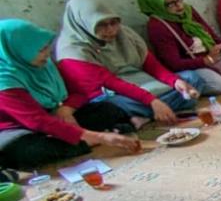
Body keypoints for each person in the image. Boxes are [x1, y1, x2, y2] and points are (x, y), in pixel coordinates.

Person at [0, 19, 139, 169]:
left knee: (105, 109)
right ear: (17, 51)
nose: (46, 54)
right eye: (40, 51)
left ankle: (85, 139)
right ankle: (91, 139)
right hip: (18, 130)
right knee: (31, 152)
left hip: (53, 117)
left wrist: (66, 109)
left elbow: (78, 92)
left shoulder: (43, 64)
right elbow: (37, 121)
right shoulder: (5, 80)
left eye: (46, 47)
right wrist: (100, 137)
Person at [54, 0, 198, 127]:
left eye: (113, 22)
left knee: (192, 78)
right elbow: (111, 82)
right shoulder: (72, 51)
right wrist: (152, 101)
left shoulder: (125, 33)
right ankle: (157, 109)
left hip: (143, 82)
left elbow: (151, 65)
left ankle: (146, 114)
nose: (111, 30)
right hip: (115, 93)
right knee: (111, 106)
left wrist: (175, 81)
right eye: (101, 25)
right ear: (83, 23)